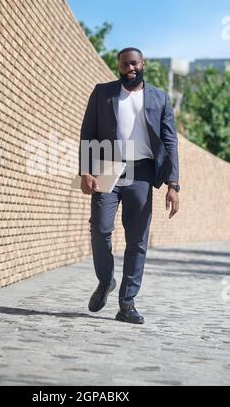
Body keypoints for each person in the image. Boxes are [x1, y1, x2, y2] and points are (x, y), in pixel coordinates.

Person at [78, 47, 180, 324]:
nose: (129, 69)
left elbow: (170, 141)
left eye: (134, 64)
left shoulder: (159, 98)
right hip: (108, 166)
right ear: (119, 66)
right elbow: (88, 131)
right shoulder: (103, 92)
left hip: (143, 170)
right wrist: (85, 170)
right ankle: (105, 280)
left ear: (143, 63)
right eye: (124, 65)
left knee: (137, 240)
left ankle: (127, 302)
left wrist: (174, 183)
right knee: (100, 228)